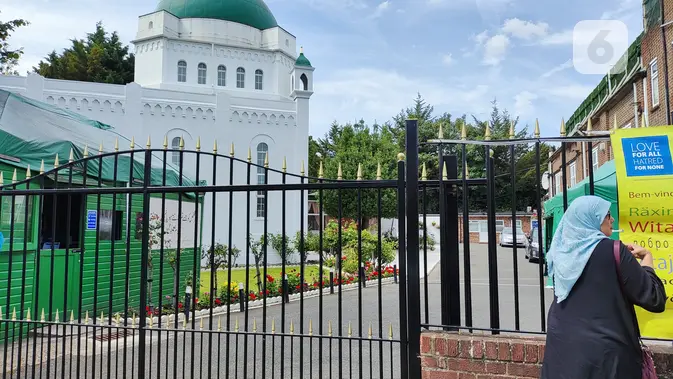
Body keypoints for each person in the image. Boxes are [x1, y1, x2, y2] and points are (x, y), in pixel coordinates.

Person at [541, 195, 667, 379]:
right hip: (606, 356)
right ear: (592, 218)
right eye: (607, 214)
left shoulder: (560, 253)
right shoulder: (613, 250)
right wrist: (647, 259)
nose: (612, 219)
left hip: (562, 347)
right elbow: (654, 298)